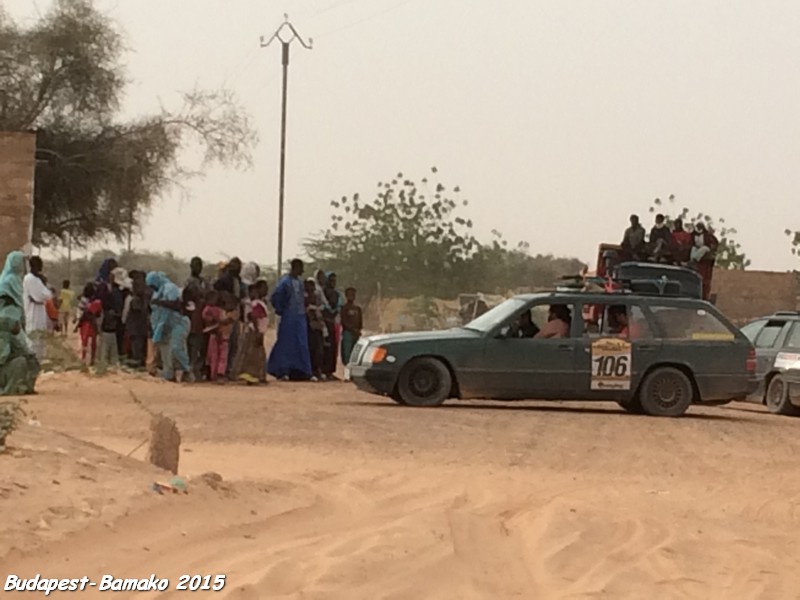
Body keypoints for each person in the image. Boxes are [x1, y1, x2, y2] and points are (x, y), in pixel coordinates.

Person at [0, 251, 39, 394]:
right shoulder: (8, 280)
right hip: (8, 321)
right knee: (22, 354)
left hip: (14, 320)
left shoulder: (16, 279)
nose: (24, 265)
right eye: (22, 262)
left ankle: (21, 386)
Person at [267, 259, 312, 381]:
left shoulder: (300, 282)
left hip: (300, 317)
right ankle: (283, 370)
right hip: (289, 317)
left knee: (301, 343)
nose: (302, 271)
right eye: (300, 268)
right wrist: (281, 310)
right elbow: (276, 297)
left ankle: (301, 371)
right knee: (286, 343)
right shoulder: (284, 282)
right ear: (295, 267)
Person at [147, 271, 193, 382]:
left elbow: (175, 304)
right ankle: (169, 374)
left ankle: (187, 370)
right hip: (163, 325)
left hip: (178, 322)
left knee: (176, 347)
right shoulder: (157, 293)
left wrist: (159, 302)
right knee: (165, 352)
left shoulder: (170, 288)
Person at [235, 282, 268, 384]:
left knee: (259, 353)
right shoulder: (256, 304)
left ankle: (259, 375)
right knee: (254, 354)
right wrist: (257, 331)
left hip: (258, 330)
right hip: (255, 331)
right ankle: (251, 375)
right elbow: (254, 316)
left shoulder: (258, 303)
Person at [23, 256, 52, 359]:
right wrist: (43, 295)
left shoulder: (38, 279)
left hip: (40, 312)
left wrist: (43, 284)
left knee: (40, 339)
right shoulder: (29, 278)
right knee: (33, 339)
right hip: (32, 312)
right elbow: (40, 296)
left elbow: (48, 295)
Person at [184, 257, 209, 380]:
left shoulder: (204, 281)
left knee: (201, 345)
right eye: (195, 265)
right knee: (192, 344)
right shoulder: (189, 282)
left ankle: (197, 369)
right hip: (192, 317)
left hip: (203, 317)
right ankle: (190, 370)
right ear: (191, 266)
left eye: (199, 265)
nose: (197, 267)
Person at [124, 271, 149, 369]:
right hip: (139, 326)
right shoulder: (143, 293)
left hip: (137, 326)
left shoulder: (137, 298)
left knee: (137, 344)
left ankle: (138, 362)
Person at [322, 272, 343, 379]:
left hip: (333, 323)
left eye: (334, 281)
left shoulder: (336, 294)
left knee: (333, 348)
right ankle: (323, 370)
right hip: (324, 322)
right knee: (325, 347)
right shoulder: (322, 292)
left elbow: (339, 308)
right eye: (331, 280)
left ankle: (330, 371)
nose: (333, 283)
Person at [75, 283, 102, 366]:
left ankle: (84, 359)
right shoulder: (97, 302)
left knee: (84, 341)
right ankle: (92, 360)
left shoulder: (83, 301)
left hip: (84, 323)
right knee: (93, 343)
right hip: (93, 323)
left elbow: (81, 314)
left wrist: (77, 325)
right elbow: (99, 314)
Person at [305, 278, 326, 381]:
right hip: (309, 328)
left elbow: (321, 312)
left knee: (319, 350)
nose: (312, 288)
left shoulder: (316, 297)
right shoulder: (305, 299)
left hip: (318, 327)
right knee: (312, 350)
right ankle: (312, 371)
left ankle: (318, 370)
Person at [340, 287, 363, 365]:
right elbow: (343, 322)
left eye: (353, 294)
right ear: (346, 295)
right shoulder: (344, 308)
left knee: (356, 353)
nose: (351, 296)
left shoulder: (358, 309)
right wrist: (352, 329)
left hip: (356, 333)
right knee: (347, 353)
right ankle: (347, 371)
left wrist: (359, 330)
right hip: (348, 333)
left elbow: (360, 321)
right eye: (350, 294)